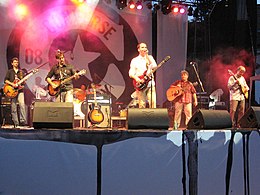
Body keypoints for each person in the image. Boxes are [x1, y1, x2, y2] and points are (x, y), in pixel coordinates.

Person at [129, 42, 157, 108]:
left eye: (145, 47)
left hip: (150, 83)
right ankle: (143, 118)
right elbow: (131, 73)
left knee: (153, 103)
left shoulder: (150, 57)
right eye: (142, 47)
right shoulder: (135, 60)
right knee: (142, 104)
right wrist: (137, 79)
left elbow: (154, 66)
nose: (144, 49)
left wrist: (147, 56)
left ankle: (153, 118)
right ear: (138, 49)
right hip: (141, 85)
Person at [4, 57, 27, 127]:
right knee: (13, 106)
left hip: (20, 91)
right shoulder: (9, 71)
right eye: (14, 62)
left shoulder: (21, 72)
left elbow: (24, 82)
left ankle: (23, 121)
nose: (16, 63)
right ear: (12, 63)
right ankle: (16, 123)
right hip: (12, 91)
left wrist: (22, 85)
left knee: (22, 104)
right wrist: (12, 84)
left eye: (17, 62)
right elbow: (6, 80)